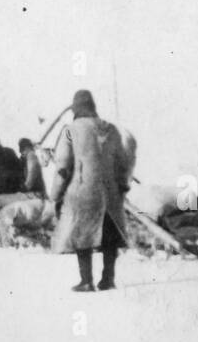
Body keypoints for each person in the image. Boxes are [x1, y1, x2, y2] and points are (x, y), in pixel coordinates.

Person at [50, 89, 136, 292]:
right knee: (109, 234)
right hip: (110, 191)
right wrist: (122, 185)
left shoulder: (71, 130)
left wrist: (55, 193)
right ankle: (108, 279)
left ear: (76, 108)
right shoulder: (111, 129)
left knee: (82, 234)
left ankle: (86, 280)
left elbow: (63, 166)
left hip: (82, 190)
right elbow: (123, 162)